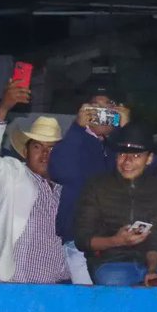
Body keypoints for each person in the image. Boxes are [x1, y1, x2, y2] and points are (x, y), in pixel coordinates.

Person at [0, 76, 67, 284]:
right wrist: (3, 108)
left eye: (52, 148)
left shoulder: (65, 187)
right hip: (17, 283)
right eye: (37, 147)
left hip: (59, 285)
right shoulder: (13, 175)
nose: (45, 154)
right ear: (25, 151)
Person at [50, 86, 131, 285]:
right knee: (89, 302)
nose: (102, 114)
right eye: (96, 108)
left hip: (119, 242)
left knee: (115, 304)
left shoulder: (121, 145)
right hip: (79, 242)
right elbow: (58, 169)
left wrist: (127, 130)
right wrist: (77, 128)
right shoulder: (76, 141)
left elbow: (149, 168)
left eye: (108, 108)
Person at [72, 124, 157, 286]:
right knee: (116, 283)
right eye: (123, 153)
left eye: (136, 156)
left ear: (150, 158)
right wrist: (117, 240)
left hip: (149, 264)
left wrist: (153, 271)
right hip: (109, 264)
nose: (127, 161)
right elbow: (83, 240)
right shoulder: (96, 186)